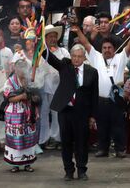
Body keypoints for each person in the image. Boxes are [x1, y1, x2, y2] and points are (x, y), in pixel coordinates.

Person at [73, 24, 130, 158]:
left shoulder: (120, 57)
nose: (107, 50)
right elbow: (85, 43)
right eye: (104, 48)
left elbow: (129, 47)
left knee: (118, 125)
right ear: (101, 49)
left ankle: (120, 149)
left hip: (116, 98)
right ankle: (103, 149)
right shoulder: (96, 57)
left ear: (114, 49)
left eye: (109, 48)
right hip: (100, 99)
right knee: (102, 125)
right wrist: (78, 30)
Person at [42, 43, 98, 181]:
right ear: (70, 56)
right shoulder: (65, 66)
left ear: (84, 57)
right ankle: (68, 170)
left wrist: (93, 116)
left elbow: (94, 95)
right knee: (66, 142)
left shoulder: (92, 71)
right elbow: (49, 57)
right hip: (65, 110)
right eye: (74, 56)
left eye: (79, 56)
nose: (76, 59)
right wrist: (40, 44)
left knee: (81, 142)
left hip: (82, 112)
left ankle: (81, 170)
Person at [3, 59, 39, 172]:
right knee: (15, 138)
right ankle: (15, 164)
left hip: (28, 113)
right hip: (14, 113)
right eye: (19, 67)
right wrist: (22, 96)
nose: (22, 70)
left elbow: (36, 95)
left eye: (24, 67)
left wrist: (33, 98)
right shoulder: (10, 81)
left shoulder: (29, 81)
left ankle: (28, 163)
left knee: (29, 137)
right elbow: (9, 97)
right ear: (15, 68)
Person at [39, 25, 67, 149]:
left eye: (55, 36)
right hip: (44, 86)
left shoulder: (63, 52)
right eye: (50, 36)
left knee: (57, 114)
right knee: (43, 114)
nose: (53, 39)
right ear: (45, 38)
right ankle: (43, 139)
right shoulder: (40, 52)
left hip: (59, 87)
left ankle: (57, 138)